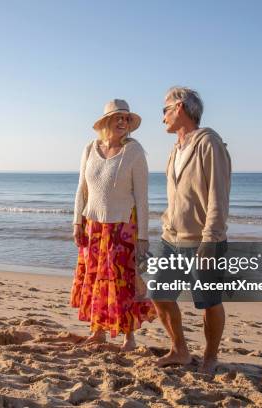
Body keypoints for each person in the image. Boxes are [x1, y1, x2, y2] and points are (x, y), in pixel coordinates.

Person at [151, 87, 231, 373]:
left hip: (202, 240)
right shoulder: (175, 149)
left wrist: (210, 240)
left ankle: (210, 357)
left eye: (165, 110)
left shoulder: (209, 142)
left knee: (209, 301)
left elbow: (218, 196)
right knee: (160, 293)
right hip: (171, 238)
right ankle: (180, 350)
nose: (162, 118)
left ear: (180, 107)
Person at [70, 99, 156, 351]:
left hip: (122, 227)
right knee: (95, 279)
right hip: (93, 226)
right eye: (118, 117)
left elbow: (142, 197)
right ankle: (97, 331)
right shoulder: (90, 148)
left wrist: (143, 236)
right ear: (106, 122)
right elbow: (81, 189)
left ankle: (129, 337)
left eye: (126, 118)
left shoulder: (134, 151)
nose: (122, 122)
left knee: (123, 282)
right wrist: (77, 221)